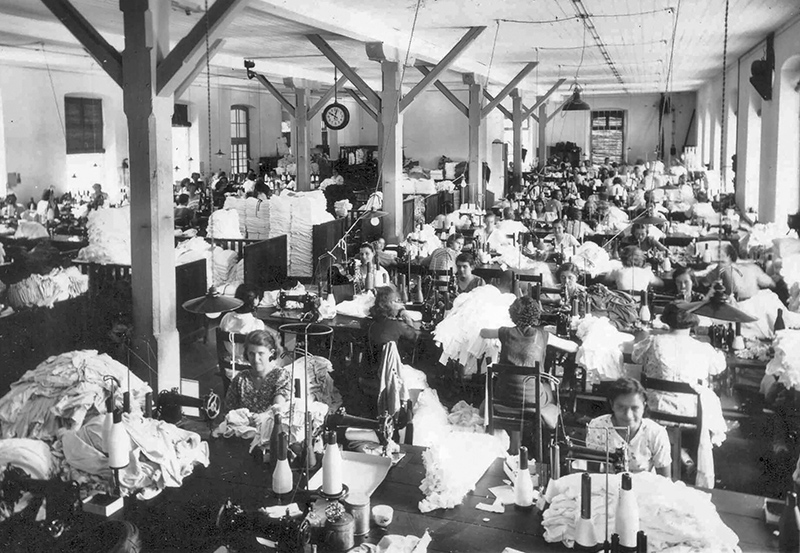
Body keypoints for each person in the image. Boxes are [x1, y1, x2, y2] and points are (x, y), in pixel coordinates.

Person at [480, 297, 578, 435]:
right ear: (536, 315)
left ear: (512, 315)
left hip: (504, 397)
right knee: (547, 388)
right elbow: (573, 348)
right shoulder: (544, 335)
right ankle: (544, 432)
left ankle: (515, 436)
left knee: (514, 383)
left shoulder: (504, 332)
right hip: (531, 400)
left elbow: (483, 332)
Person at [586, 378, 672, 476]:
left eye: (635, 408)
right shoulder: (598, 427)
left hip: (645, 485)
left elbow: (665, 480)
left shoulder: (656, 433)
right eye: (621, 407)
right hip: (609, 484)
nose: (628, 415)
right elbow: (592, 475)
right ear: (612, 405)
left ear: (644, 406)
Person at [224, 329, 291, 412]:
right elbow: (229, 411)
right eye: (251, 354)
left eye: (261, 353)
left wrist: (266, 415)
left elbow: (278, 406)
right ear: (246, 354)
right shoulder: (240, 379)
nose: (256, 359)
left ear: (271, 352)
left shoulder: (280, 375)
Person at [368, 285, 419, 361]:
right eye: (393, 301)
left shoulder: (370, 321)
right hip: (392, 366)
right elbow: (414, 336)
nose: (396, 305)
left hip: (373, 363)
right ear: (384, 305)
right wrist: (408, 319)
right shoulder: (396, 325)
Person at [219, 284, 266, 363]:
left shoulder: (226, 318)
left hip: (230, 364)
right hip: (251, 365)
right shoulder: (257, 324)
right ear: (255, 301)